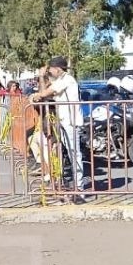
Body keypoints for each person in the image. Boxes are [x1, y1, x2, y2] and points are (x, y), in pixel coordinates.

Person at [28, 56, 86, 192]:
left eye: (51, 69)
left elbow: (47, 92)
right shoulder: (60, 80)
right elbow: (46, 94)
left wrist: (38, 95)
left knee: (74, 153)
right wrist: (40, 87)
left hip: (71, 121)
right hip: (64, 121)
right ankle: (74, 183)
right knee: (68, 152)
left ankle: (79, 186)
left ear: (58, 69)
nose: (50, 72)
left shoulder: (67, 79)